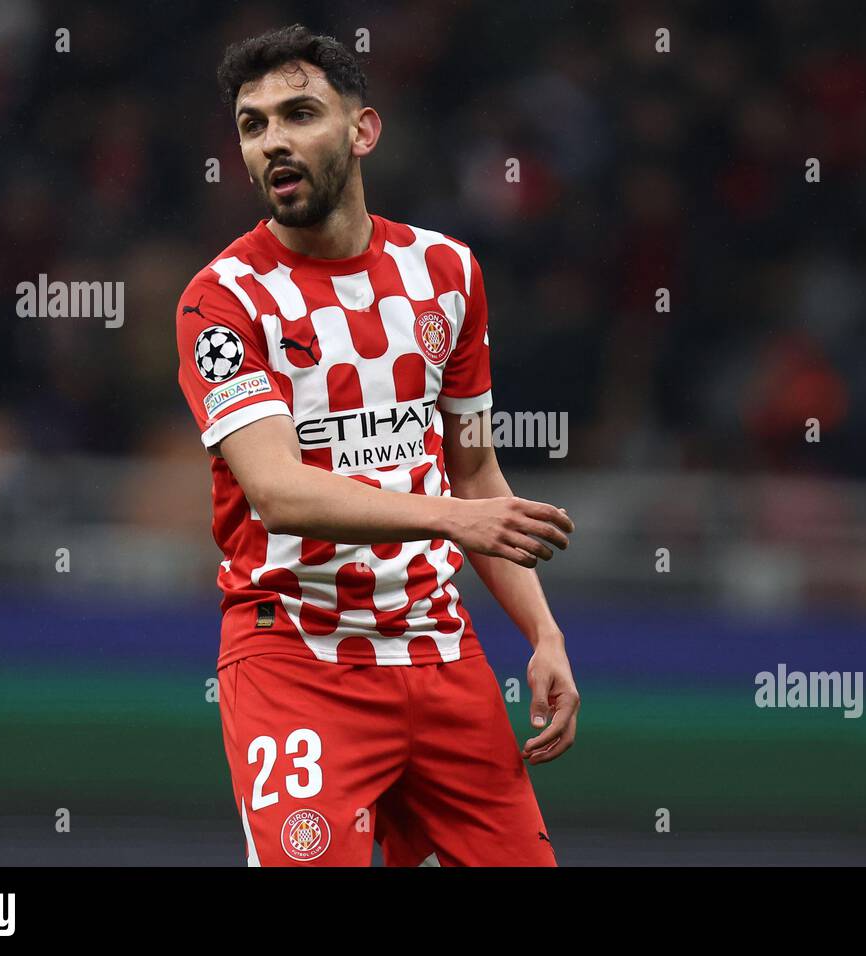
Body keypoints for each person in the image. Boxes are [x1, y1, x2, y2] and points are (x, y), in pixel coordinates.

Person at [174, 23, 579, 866]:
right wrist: (448, 520)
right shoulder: (223, 301)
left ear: (363, 131)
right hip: (295, 655)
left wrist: (544, 633)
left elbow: (475, 475)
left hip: (438, 649)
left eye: (300, 113)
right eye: (254, 125)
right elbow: (278, 491)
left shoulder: (448, 274)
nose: (274, 140)